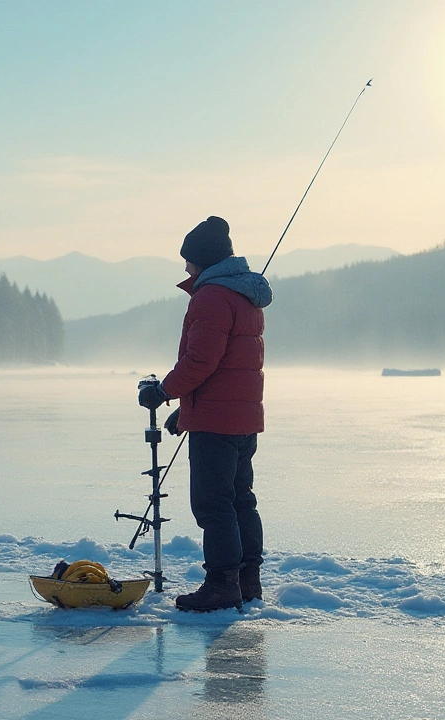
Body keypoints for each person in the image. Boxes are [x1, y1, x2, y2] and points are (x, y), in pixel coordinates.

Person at [137, 216, 273, 612]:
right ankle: (248, 581)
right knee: (239, 500)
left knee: (214, 505)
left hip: (218, 422)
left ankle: (222, 585)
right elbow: (227, 367)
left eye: (189, 260)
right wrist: (187, 410)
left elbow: (202, 361)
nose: (185, 268)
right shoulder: (243, 295)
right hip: (241, 419)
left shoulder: (212, 297)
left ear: (204, 261)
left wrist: (163, 392)